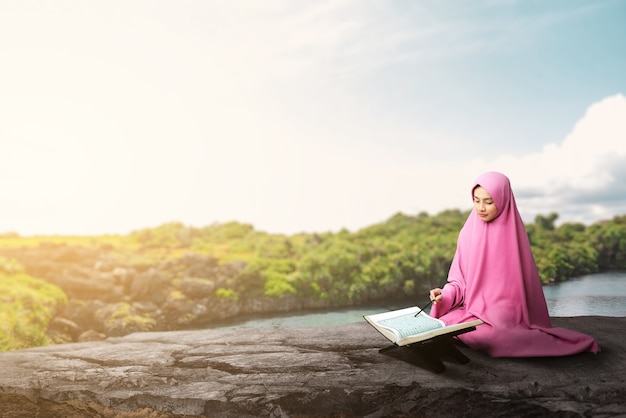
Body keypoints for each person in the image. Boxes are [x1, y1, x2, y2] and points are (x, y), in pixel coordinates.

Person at [429, 171, 600, 357]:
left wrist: (495, 312)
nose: (481, 208)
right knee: (444, 322)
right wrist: (444, 295)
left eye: (488, 201)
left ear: (503, 199)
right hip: (472, 309)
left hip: (506, 312)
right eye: (476, 200)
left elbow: (516, 293)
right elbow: (460, 282)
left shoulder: (513, 235)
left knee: (498, 337)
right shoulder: (467, 233)